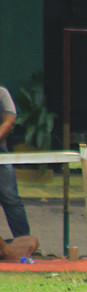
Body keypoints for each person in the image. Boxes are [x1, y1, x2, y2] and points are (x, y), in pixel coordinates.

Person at [0, 85, 31, 238]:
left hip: (0, 156)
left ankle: (24, 241)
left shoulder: (1, 93)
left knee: (10, 198)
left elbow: (9, 123)